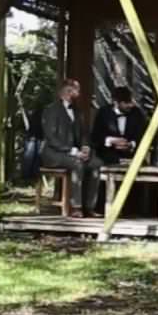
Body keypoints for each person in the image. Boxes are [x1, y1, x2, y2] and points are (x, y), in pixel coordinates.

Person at [38, 79, 101, 216]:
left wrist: (85, 147)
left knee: (96, 164)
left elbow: (84, 133)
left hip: (74, 152)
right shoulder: (51, 110)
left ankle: (89, 206)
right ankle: (76, 207)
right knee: (77, 164)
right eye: (76, 91)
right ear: (67, 92)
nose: (78, 94)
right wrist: (72, 151)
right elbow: (51, 137)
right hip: (53, 153)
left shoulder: (78, 111)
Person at [90, 88, 147, 165]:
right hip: (108, 155)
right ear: (116, 103)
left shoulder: (136, 113)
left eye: (130, 101)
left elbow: (142, 135)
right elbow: (95, 137)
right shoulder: (103, 113)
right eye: (126, 102)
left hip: (131, 155)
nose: (130, 105)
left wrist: (131, 144)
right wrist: (111, 141)